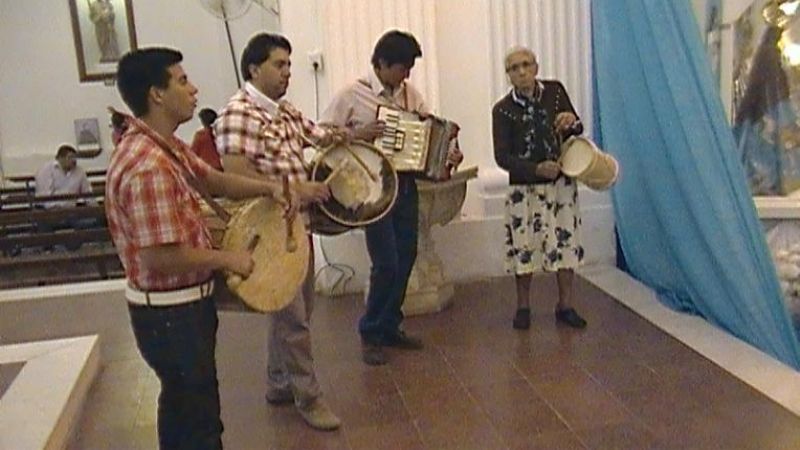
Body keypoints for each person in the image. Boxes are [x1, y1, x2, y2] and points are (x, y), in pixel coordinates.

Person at [107, 47, 329, 449]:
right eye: (182, 80)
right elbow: (159, 256)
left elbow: (214, 181)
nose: (194, 89)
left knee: (189, 407)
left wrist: (275, 189)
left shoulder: (164, 146)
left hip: (181, 308)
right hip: (170, 314)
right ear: (157, 94)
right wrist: (231, 259)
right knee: (197, 417)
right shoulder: (148, 165)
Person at [214, 33, 345, 431]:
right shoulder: (238, 114)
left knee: (291, 304)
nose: (288, 72)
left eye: (289, 64)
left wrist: (356, 134)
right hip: (267, 230)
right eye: (279, 64)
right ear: (254, 69)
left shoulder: (283, 111)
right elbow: (233, 175)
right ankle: (309, 397)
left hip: (295, 224)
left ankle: (278, 382)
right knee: (294, 318)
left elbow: (320, 134)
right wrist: (295, 189)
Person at [321, 30, 461, 366]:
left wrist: (448, 154)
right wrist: (357, 134)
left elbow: (432, 131)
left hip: (407, 184)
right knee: (386, 261)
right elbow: (321, 135)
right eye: (402, 67)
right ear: (382, 63)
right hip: (373, 188)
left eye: (410, 68)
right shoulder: (352, 95)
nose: (407, 75)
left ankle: (388, 325)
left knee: (407, 254)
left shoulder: (409, 94)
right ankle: (370, 330)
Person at [492, 47, 587, 331]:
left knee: (565, 243)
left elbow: (576, 128)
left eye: (526, 65)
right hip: (525, 189)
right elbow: (502, 157)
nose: (521, 71)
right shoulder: (502, 110)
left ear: (536, 67)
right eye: (514, 68)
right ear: (508, 75)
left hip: (560, 184)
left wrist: (572, 121)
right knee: (524, 246)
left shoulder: (555, 92)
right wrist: (534, 169)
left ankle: (566, 304)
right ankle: (523, 307)